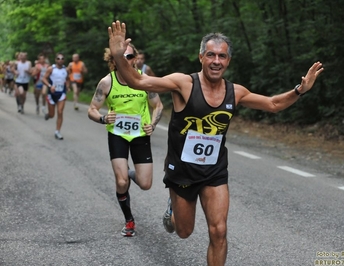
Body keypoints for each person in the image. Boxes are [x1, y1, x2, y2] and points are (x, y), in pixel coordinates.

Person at [108, 21, 324, 266]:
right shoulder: (183, 83)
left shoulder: (236, 92)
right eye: (211, 54)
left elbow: (273, 104)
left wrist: (299, 90)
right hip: (182, 170)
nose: (216, 61)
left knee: (219, 231)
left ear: (228, 61)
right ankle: (173, 209)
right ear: (201, 57)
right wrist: (118, 54)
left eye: (222, 56)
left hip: (214, 170)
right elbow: (139, 82)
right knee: (184, 231)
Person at [88, 44, 163, 237]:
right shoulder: (107, 82)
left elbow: (158, 105)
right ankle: (129, 220)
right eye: (121, 56)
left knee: (145, 184)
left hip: (140, 135)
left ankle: (130, 172)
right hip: (118, 134)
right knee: (121, 182)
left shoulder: (144, 80)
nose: (126, 60)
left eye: (130, 56)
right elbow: (92, 110)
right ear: (113, 61)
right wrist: (104, 118)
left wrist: (153, 125)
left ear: (136, 58)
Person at [42, 53, 70, 140]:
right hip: (52, 94)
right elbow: (43, 79)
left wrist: (68, 87)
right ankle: (48, 115)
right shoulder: (51, 69)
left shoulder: (66, 69)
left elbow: (68, 79)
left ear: (64, 60)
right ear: (55, 60)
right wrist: (50, 86)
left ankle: (57, 132)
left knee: (60, 111)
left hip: (61, 93)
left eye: (62, 58)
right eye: (58, 58)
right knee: (52, 115)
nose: (60, 60)